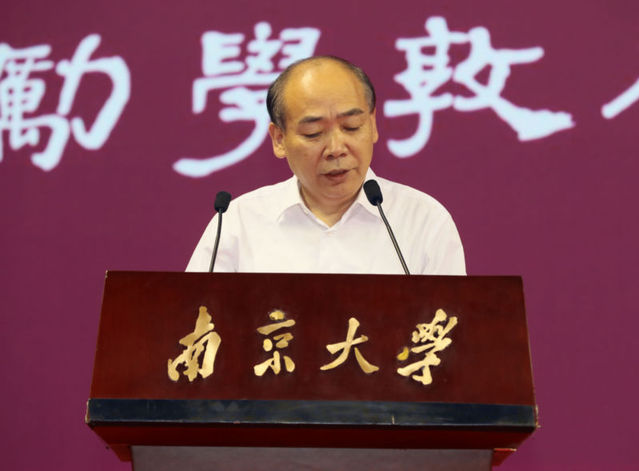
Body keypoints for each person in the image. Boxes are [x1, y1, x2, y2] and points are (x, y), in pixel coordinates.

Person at [186, 56, 465, 275]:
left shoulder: (424, 221)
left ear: (372, 125)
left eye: (352, 127)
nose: (336, 149)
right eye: (314, 133)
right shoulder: (238, 224)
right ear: (279, 139)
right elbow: (195, 322)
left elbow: (448, 327)